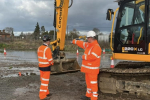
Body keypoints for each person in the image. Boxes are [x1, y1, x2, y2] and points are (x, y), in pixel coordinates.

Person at [72, 31, 102, 100]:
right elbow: (81, 43)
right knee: (88, 83)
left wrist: (84, 57)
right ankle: (88, 95)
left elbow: (93, 57)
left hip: (93, 70)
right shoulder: (89, 45)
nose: (87, 39)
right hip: (88, 69)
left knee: (93, 83)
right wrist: (74, 41)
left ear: (91, 38)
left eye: (88, 38)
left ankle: (94, 97)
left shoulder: (96, 47)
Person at [37, 35, 54, 100]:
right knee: (45, 82)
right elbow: (50, 60)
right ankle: (42, 96)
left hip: (41, 67)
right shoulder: (47, 49)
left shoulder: (39, 48)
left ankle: (46, 92)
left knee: (43, 81)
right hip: (46, 67)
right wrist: (52, 62)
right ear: (48, 41)